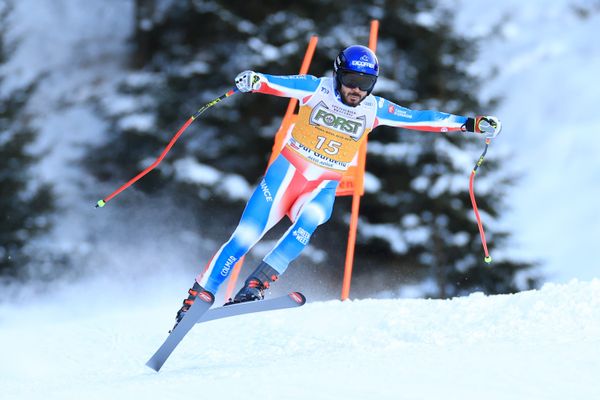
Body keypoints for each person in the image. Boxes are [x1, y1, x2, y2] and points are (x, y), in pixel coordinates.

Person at [174, 45, 501, 324]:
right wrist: (256, 81)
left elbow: (421, 118)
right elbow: (278, 84)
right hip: (286, 176)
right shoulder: (317, 89)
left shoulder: (374, 108)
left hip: (322, 185)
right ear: (337, 75)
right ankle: (199, 295)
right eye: (350, 80)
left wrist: (469, 124)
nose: (356, 90)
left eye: (365, 83)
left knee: (310, 222)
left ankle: (255, 286)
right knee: (245, 235)